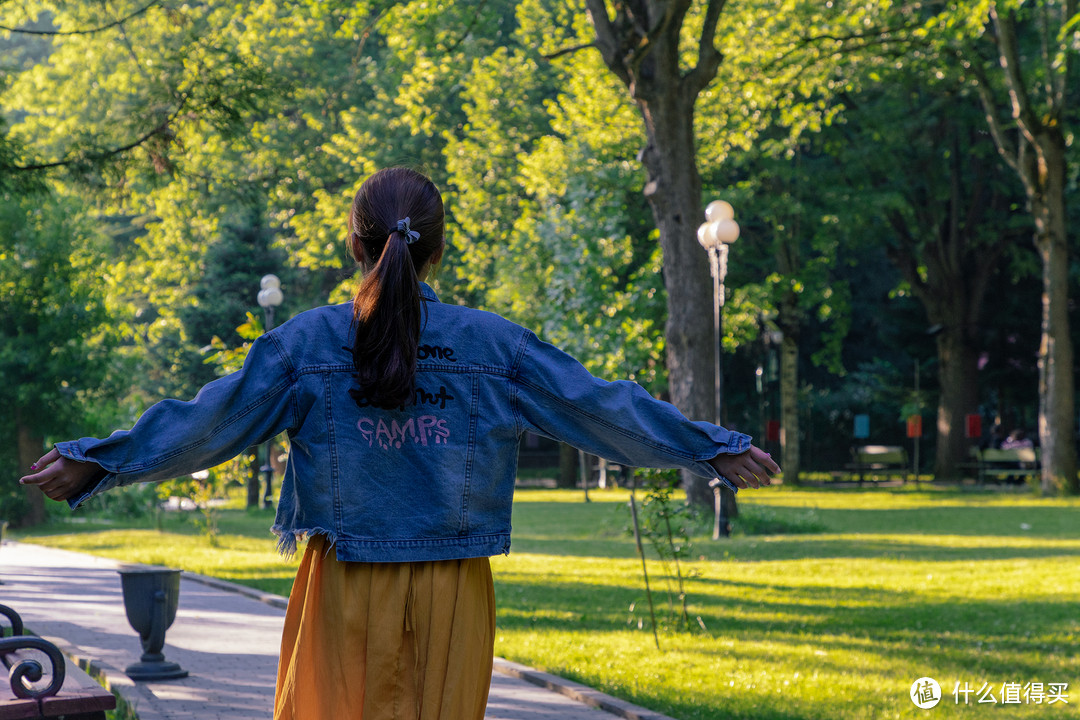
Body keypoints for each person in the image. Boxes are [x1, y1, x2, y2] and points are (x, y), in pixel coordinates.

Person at [20, 167, 779, 720]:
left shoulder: (306, 341)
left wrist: (102, 460)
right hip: (453, 588)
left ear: (357, 243)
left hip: (342, 584)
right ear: (436, 249)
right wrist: (707, 447)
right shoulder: (494, 345)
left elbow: (208, 422)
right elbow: (602, 409)